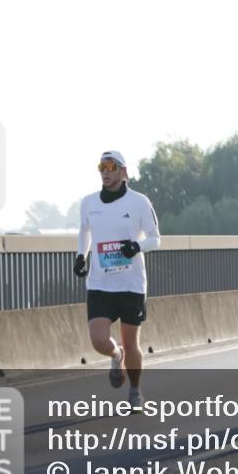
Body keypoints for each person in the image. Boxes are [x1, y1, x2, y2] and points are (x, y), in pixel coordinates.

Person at [74, 150, 161, 408]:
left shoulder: (139, 202)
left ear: (123, 171)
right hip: (100, 283)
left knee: (132, 341)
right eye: (101, 166)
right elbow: (84, 231)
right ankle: (116, 354)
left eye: (111, 166)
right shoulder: (89, 202)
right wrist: (81, 256)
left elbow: (156, 238)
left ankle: (135, 391)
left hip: (131, 284)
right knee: (98, 340)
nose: (105, 171)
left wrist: (136, 247)